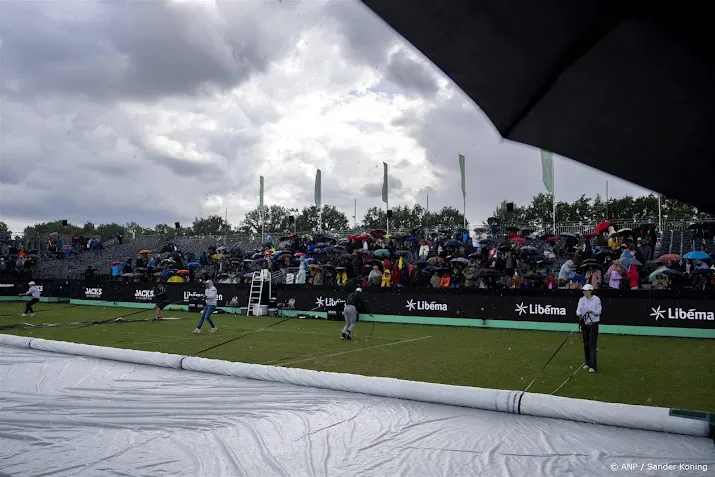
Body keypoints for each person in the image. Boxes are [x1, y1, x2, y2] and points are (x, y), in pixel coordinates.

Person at [576, 284, 602, 373]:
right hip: (584, 323)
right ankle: (587, 362)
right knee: (586, 344)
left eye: (586, 290)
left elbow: (599, 311)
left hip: (593, 324)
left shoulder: (596, 299)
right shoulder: (581, 299)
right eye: (583, 290)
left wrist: (592, 311)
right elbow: (578, 309)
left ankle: (593, 366)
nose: (584, 292)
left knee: (592, 345)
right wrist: (579, 313)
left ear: (590, 291)